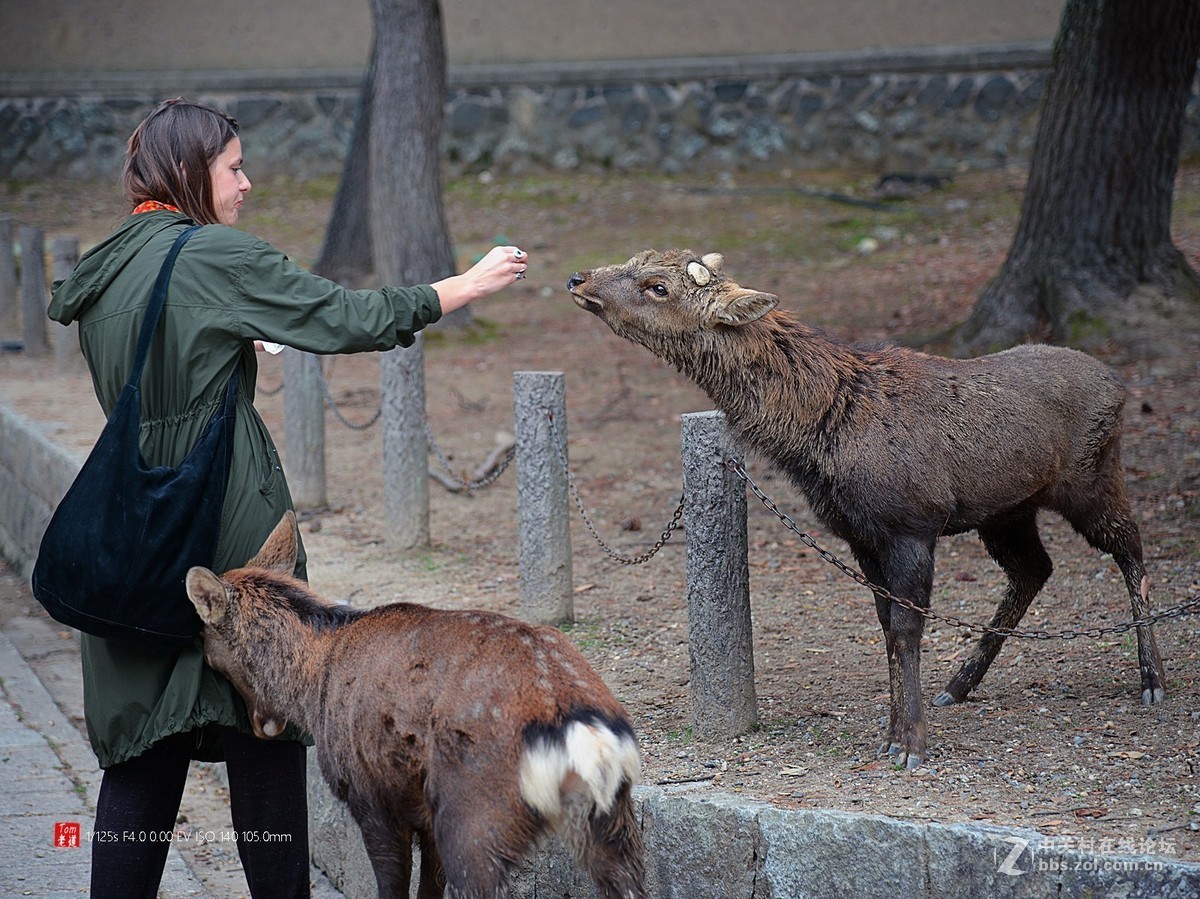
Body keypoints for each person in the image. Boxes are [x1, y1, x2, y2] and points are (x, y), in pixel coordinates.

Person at [47, 97, 530, 899]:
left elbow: (167, 362)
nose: (246, 183)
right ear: (188, 171)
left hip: (129, 537)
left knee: (140, 766)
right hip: (235, 548)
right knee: (265, 749)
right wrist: (463, 286)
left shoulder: (105, 271)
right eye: (233, 167)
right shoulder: (213, 256)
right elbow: (345, 316)